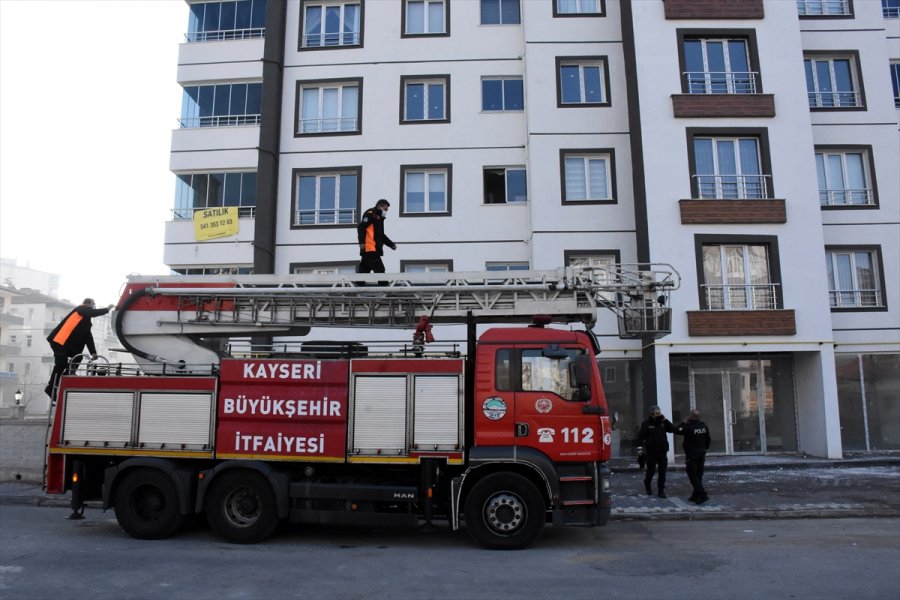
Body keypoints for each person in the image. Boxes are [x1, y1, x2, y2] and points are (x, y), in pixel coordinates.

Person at [45, 298, 114, 396]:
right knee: (61, 364)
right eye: (93, 304)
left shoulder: (85, 321)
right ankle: (50, 387)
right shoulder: (81, 309)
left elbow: (88, 337)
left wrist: (93, 352)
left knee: (78, 357)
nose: (94, 306)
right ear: (88, 304)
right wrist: (107, 309)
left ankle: (67, 376)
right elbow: (93, 312)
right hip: (59, 341)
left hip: (65, 344)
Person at [637, 405, 675, 498]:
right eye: (656, 413)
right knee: (651, 471)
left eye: (659, 413)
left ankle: (661, 490)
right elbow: (640, 437)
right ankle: (647, 484)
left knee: (662, 472)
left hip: (662, 451)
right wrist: (640, 449)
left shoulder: (663, 422)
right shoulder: (646, 424)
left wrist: (665, 420)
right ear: (652, 414)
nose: (658, 415)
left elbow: (673, 429)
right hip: (651, 452)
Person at [675, 409, 712, 503]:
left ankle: (702, 494)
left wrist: (683, 423)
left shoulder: (688, 427)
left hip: (692, 454)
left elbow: (677, 430)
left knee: (692, 475)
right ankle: (696, 496)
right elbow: (708, 438)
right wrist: (704, 448)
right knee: (699, 474)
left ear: (690, 417)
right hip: (701, 453)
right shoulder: (703, 425)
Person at [356, 199, 397, 282]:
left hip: (372, 249)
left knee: (364, 271)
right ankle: (384, 286)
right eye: (385, 209)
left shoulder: (379, 218)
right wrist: (362, 242)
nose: (386, 211)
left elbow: (381, 235)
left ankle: (359, 284)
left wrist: (391, 244)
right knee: (380, 269)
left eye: (387, 210)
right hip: (370, 248)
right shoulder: (371, 214)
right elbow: (361, 227)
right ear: (379, 206)